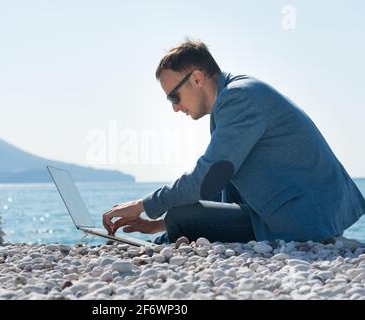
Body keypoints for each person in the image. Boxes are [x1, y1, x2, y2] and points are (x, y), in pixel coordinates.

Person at [102, 39, 365, 245]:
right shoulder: (234, 97)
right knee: (178, 220)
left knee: (182, 218)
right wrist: (160, 223)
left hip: (302, 221)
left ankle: (165, 240)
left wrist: (142, 205)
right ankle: (161, 241)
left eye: (174, 97)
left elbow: (206, 179)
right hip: (295, 214)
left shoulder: (239, 99)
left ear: (196, 78)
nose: (175, 107)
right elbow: (221, 186)